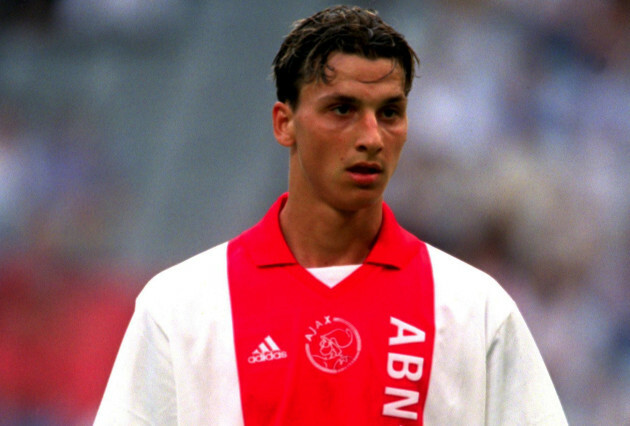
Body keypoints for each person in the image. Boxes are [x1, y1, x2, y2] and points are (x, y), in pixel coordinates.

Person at [94, 5, 567, 425]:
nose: (371, 137)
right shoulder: (180, 307)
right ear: (285, 124)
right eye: (342, 109)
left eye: (389, 113)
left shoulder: (475, 310)